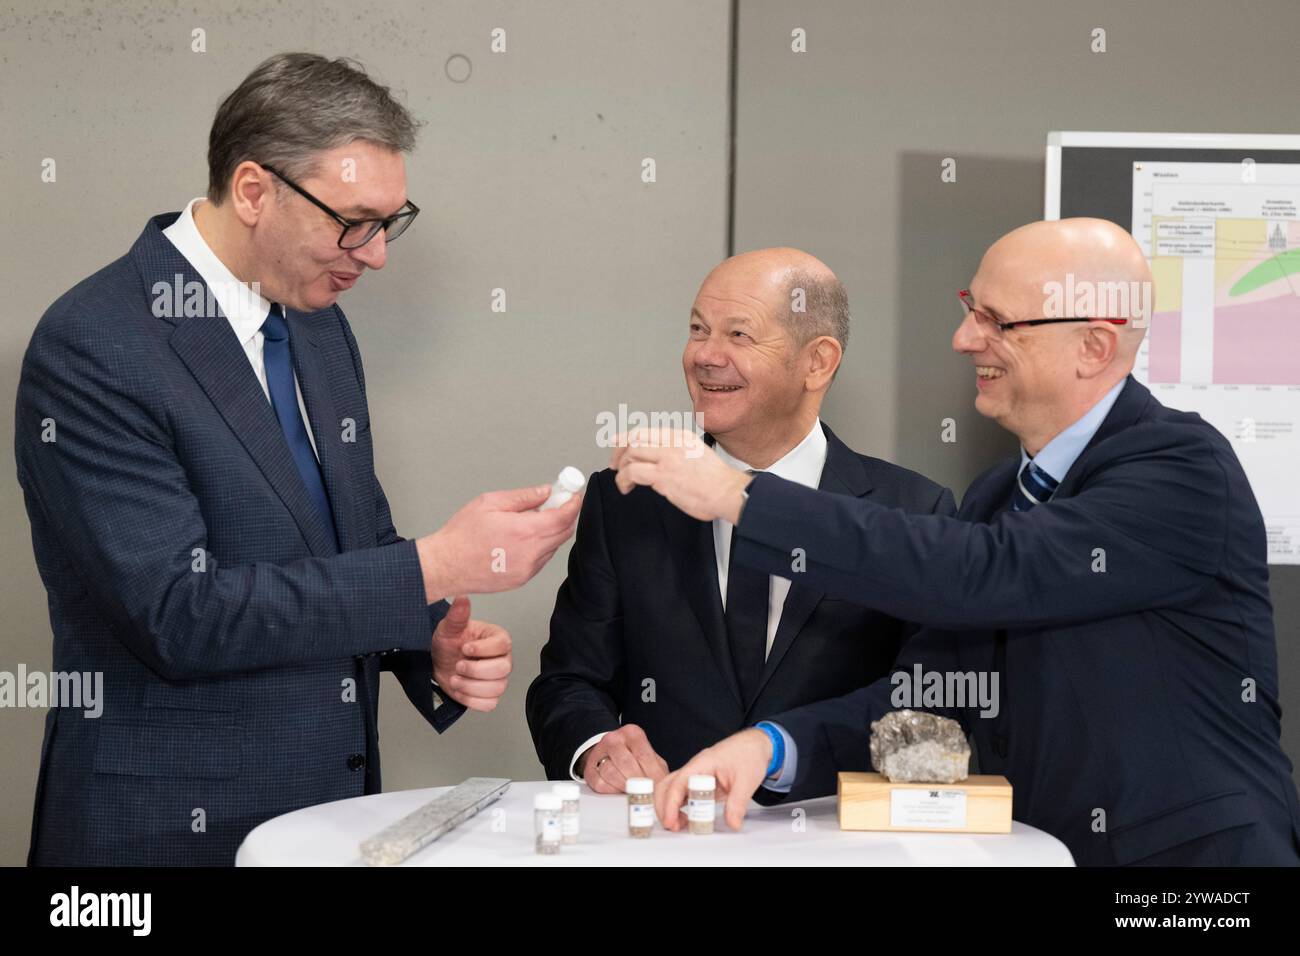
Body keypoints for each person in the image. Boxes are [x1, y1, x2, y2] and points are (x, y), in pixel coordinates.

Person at [15, 53, 579, 865]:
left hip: (327, 820)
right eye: (353, 220)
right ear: (253, 191)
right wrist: (430, 567)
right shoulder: (95, 345)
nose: (376, 253)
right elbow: (179, 614)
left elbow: (345, 542)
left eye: (391, 221)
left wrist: (426, 643)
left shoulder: (315, 322)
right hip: (161, 830)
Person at [613, 218, 1300, 865]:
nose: (964, 339)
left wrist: (740, 497)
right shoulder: (1000, 495)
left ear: (1094, 344)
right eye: (972, 309)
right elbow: (937, 694)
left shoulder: (1181, 468)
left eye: (995, 321)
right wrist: (772, 746)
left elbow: (987, 571)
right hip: (1045, 853)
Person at [526, 249, 954, 791]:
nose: (705, 355)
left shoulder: (912, 511)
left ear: (818, 362)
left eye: (738, 335)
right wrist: (595, 749)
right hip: (668, 835)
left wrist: (782, 752)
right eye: (698, 330)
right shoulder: (628, 497)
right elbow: (567, 682)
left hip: (834, 841)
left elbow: (929, 703)